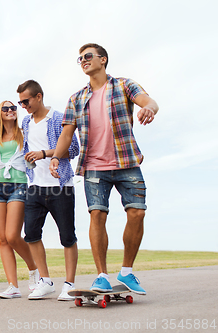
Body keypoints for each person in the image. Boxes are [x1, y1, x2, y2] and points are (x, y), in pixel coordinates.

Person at [49, 43, 159, 295]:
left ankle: (127, 272)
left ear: (103, 59)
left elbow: (148, 100)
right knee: (97, 215)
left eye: (88, 56)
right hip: (94, 167)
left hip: (126, 162)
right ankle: (101, 276)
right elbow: (67, 133)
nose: (84, 61)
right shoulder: (76, 98)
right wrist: (56, 156)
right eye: (80, 59)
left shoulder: (123, 85)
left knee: (137, 213)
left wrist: (149, 108)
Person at [17, 80, 80, 300]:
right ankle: (46, 281)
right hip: (35, 186)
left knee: (67, 237)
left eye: (26, 101)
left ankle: (69, 284)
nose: (23, 105)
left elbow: (73, 149)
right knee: (31, 234)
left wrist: (44, 153)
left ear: (39, 97)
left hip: (60, 186)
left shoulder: (58, 118)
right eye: (20, 102)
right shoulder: (26, 121)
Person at [0, 101, 39, 299]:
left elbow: (29, 162)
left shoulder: (25, 133)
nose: (10, 110)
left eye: (13, 107)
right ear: (0, 113)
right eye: (5, 108)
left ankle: (34, 269)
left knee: (13, 235)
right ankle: (12, 286)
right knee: (3, 239)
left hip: (19, 186)